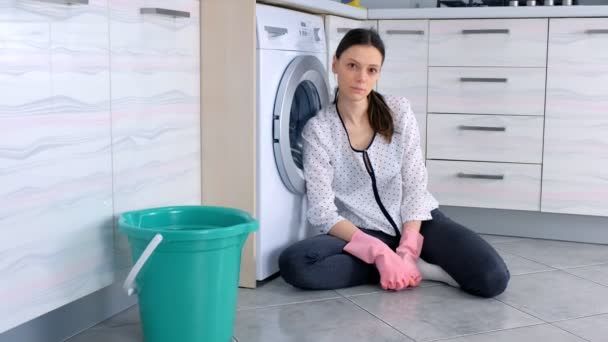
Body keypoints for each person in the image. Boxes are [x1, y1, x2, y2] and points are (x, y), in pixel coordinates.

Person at [278, 28, 510, 298]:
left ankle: (406, 264)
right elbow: (323, 213)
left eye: (371, 70)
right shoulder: (319, 130)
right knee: (296, 264)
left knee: (493, 278)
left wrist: (408, 249)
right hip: (363, 232)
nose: (361, 78)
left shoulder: (398, 111)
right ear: (335, 64)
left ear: (379, 73)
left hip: (419, 223)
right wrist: (378, 252)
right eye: (352, 65)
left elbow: (415, 185)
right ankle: (390, 264)